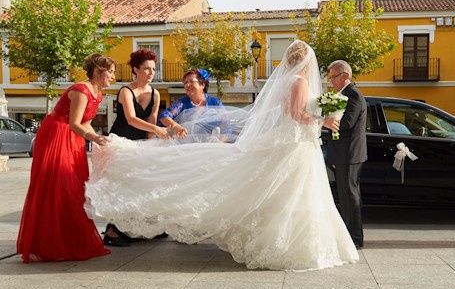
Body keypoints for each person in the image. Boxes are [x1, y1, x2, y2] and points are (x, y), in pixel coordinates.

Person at [85, 40, 358, 271]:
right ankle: (286, 244)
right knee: (290, 193)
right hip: (293, 145)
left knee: (290, 193)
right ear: (306, 61)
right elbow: (296, 114)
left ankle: (284, 241)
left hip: (297, 144)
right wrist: (323, 120)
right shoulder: (298, 81)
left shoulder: (290, 80)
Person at [17, 53, 115, 263]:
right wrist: (94, 138)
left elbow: (85, 122)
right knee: (59, 185)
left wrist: (100, 138)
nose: (113, 76)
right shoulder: (81, 90)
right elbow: (74, 123)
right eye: (111, 72)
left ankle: (68, 241)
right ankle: (49, 244)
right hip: (57, 136)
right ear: (98, 72)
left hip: (74, 139)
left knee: (74, 187)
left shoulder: (97, 93)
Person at [103, 48, 170, 246]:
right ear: (135, 69)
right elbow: (132, 119)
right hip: (121, 144)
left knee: (143, 185)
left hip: (141, 145)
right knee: (122, 187)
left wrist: (151, 148)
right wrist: (158, 130)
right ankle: (112, 231)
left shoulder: (156, 93)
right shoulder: (126, 91)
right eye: (147, 69)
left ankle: (145, 228)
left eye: (153, 69)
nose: (151, 73)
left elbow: (152, 119)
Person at [325, 60, 367, 249]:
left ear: (345, 76)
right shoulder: (343, 95)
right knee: (346, 196)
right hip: (342, 155)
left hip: (350, 156)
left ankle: (355, 239)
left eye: (333, 76)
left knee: (350, 197)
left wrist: (327, 119)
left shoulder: (354, 95)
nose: (331, 81)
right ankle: (349, 236)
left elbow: (347, 124)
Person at [157, 68, 223, 137]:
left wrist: (222, 141)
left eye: (192, 81)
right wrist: (176, 126)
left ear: (203, 85)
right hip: (187, 145)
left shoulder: (215, 103)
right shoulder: (181, 104)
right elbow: (164, 116)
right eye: (185, 83)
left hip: (211, 145)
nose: (187, 85)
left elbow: (225, 125)